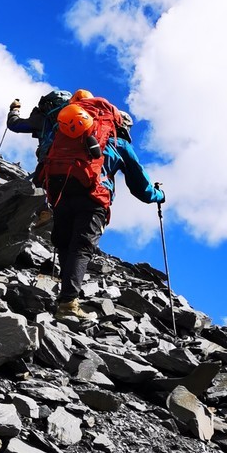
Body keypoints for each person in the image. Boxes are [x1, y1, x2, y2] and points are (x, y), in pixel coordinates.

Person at [37, 98, 164, 319]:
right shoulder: (119, 144)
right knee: (82, 248)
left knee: (65, 244)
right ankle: (67, 305)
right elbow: (141, 188)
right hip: (94, 199)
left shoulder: (69, 133)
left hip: (62, 193)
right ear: (121, 126)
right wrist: (159, 195)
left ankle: (65, 296)